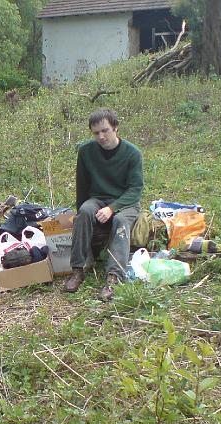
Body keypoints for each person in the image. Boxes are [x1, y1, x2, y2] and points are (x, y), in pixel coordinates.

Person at [62, 108, 143, 301]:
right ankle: (78, 270)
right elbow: (82, 185)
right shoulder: (86, 151)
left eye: (105, 130)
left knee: (121, 222)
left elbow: (135, 189)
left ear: (116, 127)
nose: (101, 136)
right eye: (96, 132)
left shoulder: (132, 153)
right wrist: (82, 212)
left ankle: (114, 277)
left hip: (126, 202)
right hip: (98, 199)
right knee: (84, 212)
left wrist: (112, 208)